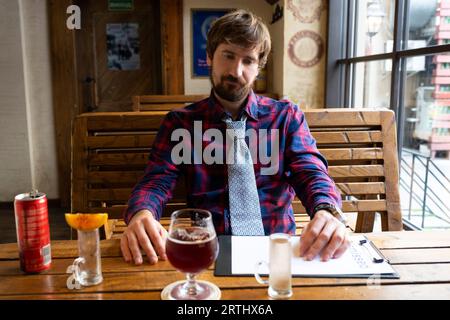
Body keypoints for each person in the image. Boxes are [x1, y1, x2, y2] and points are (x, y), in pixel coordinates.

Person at [120, 9, 350, 265]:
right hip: (207, 251)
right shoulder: (180, 124)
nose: (235, 70)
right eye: (228, 56)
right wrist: (142, 213)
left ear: (258, 67)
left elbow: (311, 173)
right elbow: (157, 180)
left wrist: (327, 210)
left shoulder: (286, 118)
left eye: (248, 60)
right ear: (209, 57)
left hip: (280, 251)